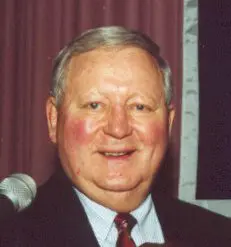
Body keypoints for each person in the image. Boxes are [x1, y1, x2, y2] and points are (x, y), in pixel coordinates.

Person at [0, 26, 230, 247]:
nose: (118, 129)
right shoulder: (10, 235)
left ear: (168, 124)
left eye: (140, 107)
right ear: (53, 119)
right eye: (95, 105)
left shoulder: (220, 235)